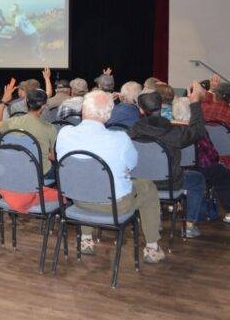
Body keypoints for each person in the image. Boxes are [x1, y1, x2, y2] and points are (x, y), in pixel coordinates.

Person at [56, 90, 166, 263]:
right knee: (148, 186)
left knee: (86, 182)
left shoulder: (64, 133)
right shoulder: (120, 139)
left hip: (77, 200)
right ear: (108, 115)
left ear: (83, 111)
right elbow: (131, 166)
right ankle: (152, 248)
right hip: (114, 206)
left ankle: (86, 240)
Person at [130, 84, 207, 237]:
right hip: (170, 184)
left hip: (140, 183)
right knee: (198, 178)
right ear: (162, 106)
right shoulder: (174, 132)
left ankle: (154, 218)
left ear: (140, 110)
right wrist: (195, 103)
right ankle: (190, 225)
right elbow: (199, 131)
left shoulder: (132, 131)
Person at [172, 97, 230, 223]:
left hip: (175, 170)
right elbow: (210, 155)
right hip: (199, 168)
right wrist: (217, 161)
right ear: (193, 113)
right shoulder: (198, 131)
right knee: (225, 175)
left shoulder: (168, 129)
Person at [0, 81, 57, 182]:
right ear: (44, 106)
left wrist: (3, 102)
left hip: (17, 169)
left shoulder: (13, 122)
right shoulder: (50, 128)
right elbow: (53, 157)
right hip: (41, 173)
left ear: (26, 103)